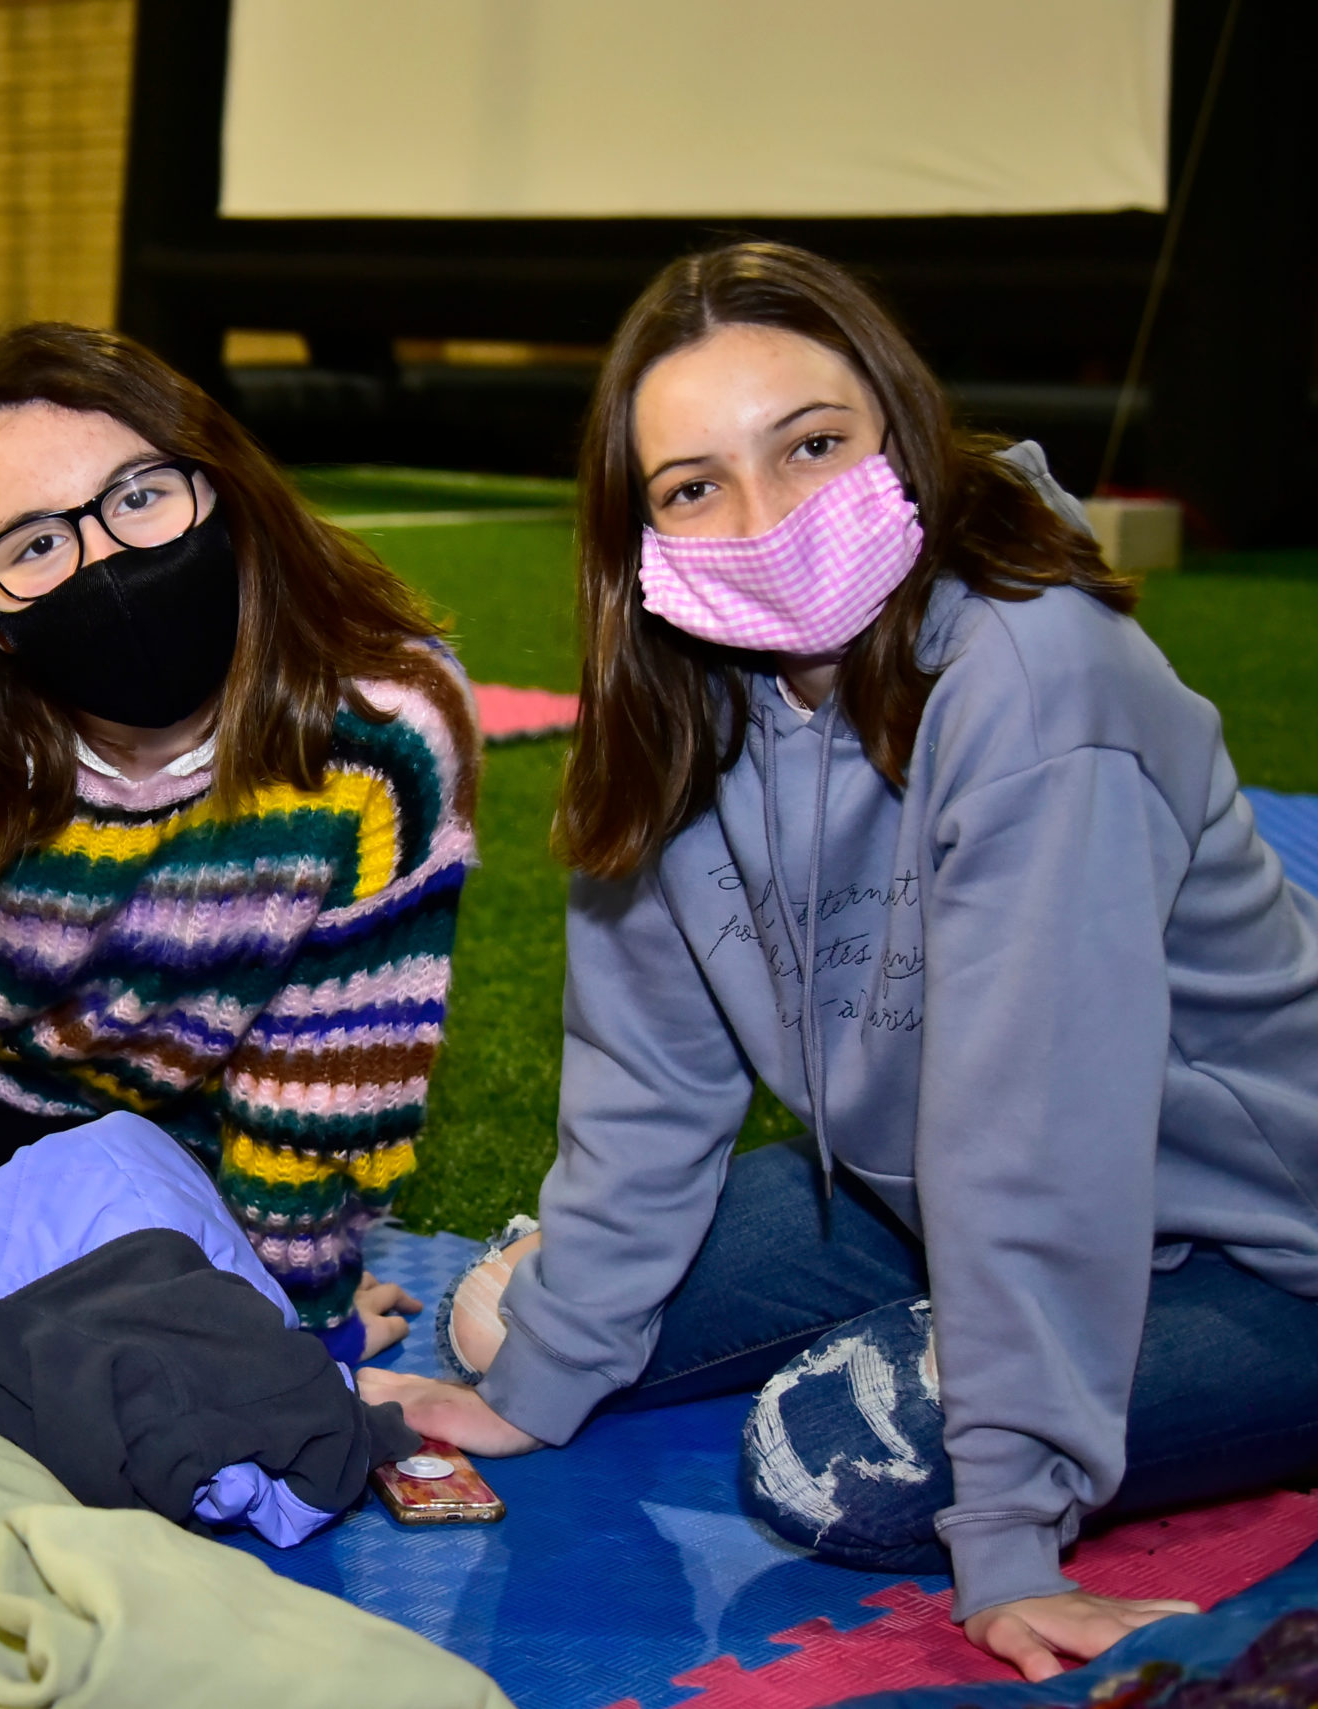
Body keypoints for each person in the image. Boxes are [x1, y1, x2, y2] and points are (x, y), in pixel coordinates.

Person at [369, 241, 1318, 1684]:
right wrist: (546, 1387)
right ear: (644, 537)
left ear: (903, 433)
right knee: (505, 1328)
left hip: (1264, 1245)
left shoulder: (1037, 679)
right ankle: (969, 1326)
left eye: (812, 447)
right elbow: (645, 1089)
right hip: (911, 1196)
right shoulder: (683, 712)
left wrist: (1008, 1533)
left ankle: (996, 1352)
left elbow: (1036, 1134)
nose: (764, 520)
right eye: (696, 486)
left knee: (836, 1465)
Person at [0, 321, 480, 1362]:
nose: (108, 561)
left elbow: (322, 1080)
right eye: (34, 543)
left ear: (222, 493)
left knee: (166, 1328)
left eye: (137, 495)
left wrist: (299, 1323)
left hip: (187, 1126)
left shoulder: (383, 732)